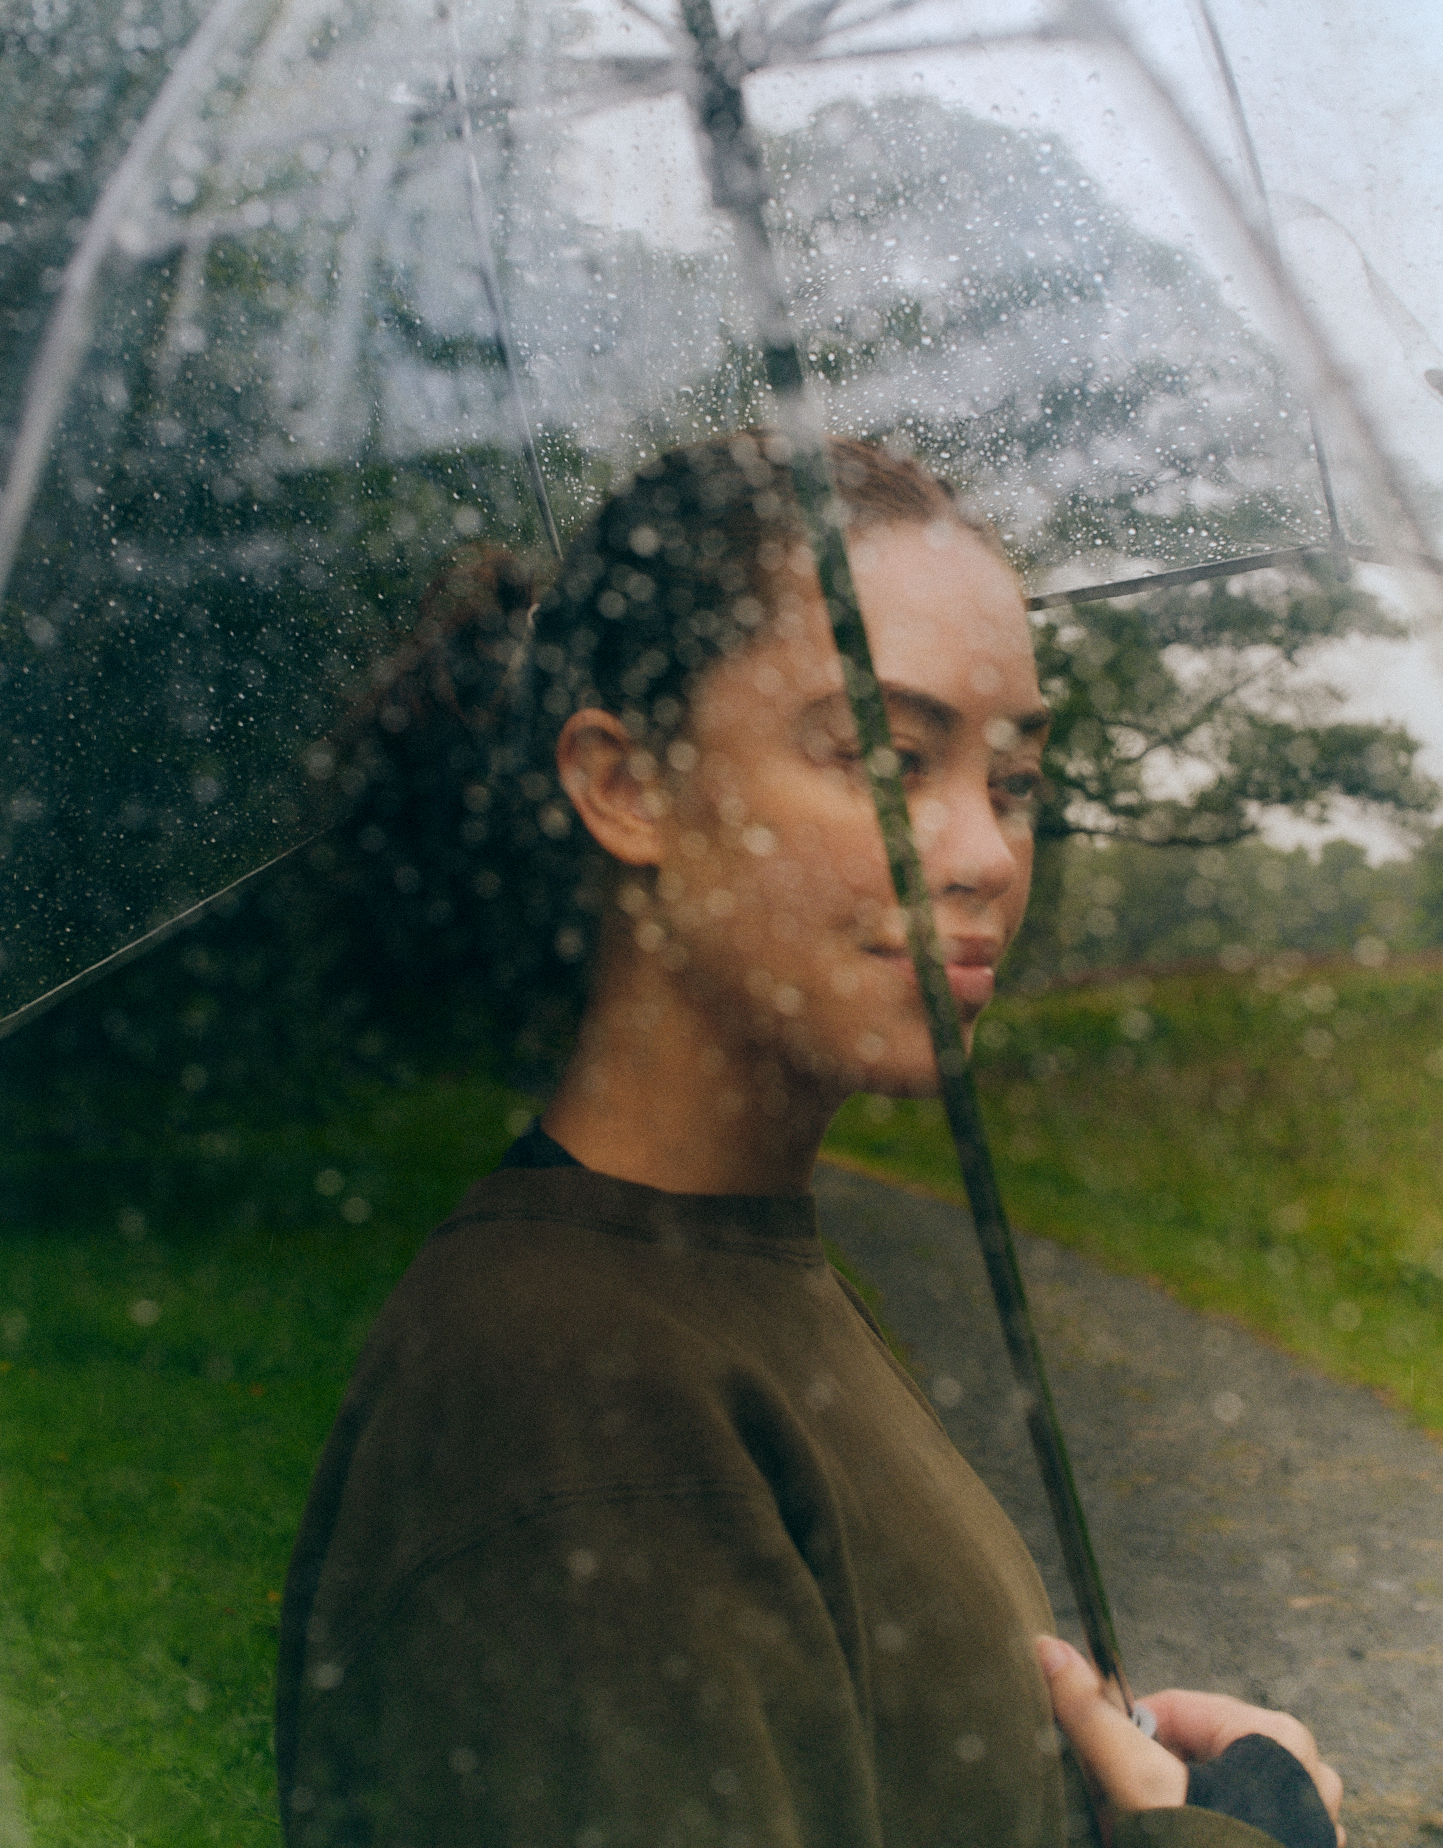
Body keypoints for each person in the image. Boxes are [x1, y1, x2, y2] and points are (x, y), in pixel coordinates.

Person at [277, 434, 1344, 1848]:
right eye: (889, 759)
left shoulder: (735, 1279)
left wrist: (1118, 1803)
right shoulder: (573, 1414)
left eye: (1014, 781)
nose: (982, 854)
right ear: (626, 787)